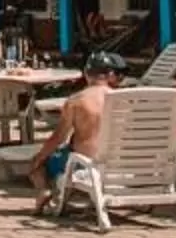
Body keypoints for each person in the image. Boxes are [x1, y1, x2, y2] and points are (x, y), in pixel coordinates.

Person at [28, 52, 125, 213]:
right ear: (110, 75)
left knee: (40, 164)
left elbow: (58, 138)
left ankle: (44, 191)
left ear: (86, 74)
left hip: (86, 165)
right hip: (121, 163)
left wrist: (38, 159)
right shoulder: (124, 100)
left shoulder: (76, 101)